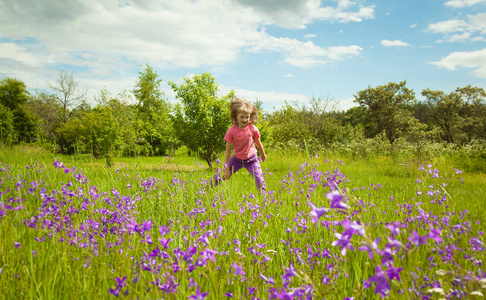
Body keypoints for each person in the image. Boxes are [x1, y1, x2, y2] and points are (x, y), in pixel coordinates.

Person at [212, 96, 267, 192]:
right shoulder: (231, 131)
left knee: (260, 182)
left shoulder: (253, 129)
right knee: (221, 176)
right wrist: (226, 169)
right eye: (242, 117)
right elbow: (228, 152)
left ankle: (264, 201)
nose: (245, 119)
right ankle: (205, 190)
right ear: (236, 117)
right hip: (237, 160)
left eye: (247, 117)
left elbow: (258, 142)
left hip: (252, 160)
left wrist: (263, 154)